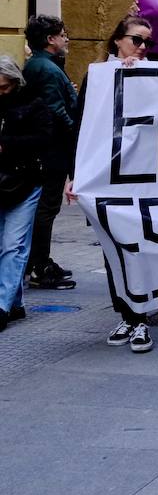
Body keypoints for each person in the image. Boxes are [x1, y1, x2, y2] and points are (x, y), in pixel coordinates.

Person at [77, 16, 158, 347]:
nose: (142, 48)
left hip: (142, 177)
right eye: (136, 40)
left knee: (138, 245)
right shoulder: (99, 76)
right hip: (105, 177)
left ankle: (140, 317)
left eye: (148, 43)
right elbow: (81, 126)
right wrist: (76, 174)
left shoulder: (152, 71)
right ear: (117, 40)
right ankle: (128, 315)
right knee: (112, 246)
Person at [22, 14, 77, 291]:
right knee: (46, 208)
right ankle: (39, 266)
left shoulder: (43, 65)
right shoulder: (46, 68)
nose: (66, 39)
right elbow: (55, 110)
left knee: (44, 207)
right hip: (53, 150)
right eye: (62, 35)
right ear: (50, 39)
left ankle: (38, 261)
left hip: (47, 148)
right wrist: (76, 131)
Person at [0, 56, 51, 333]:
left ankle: (2, 305)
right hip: (5, 180)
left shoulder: (33, 103)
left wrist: (6, 145)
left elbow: (44, 139)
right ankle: (15, 301)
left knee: (13, 245)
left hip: (25, 181)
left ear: (15, 82)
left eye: (4, 87)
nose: (1, 92)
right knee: (5, 246)